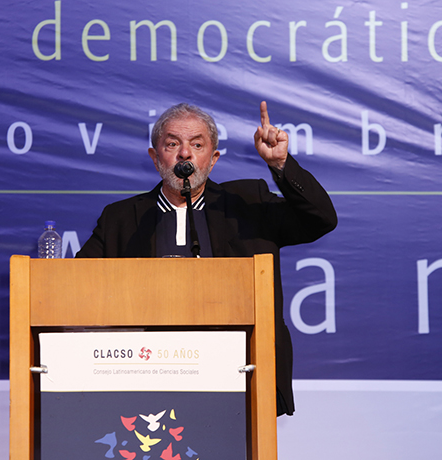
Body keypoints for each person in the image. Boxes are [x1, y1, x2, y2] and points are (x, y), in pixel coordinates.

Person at [76, 101, 337, 415]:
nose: (185, 153)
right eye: (173, 144)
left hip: (240, 373)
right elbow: (77, 286)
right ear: (155, 158)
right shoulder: (121, 218)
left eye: (197, 145)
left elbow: (321, 219)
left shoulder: (247, 203)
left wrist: (281, 164)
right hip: (145, 377)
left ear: (213, 160)